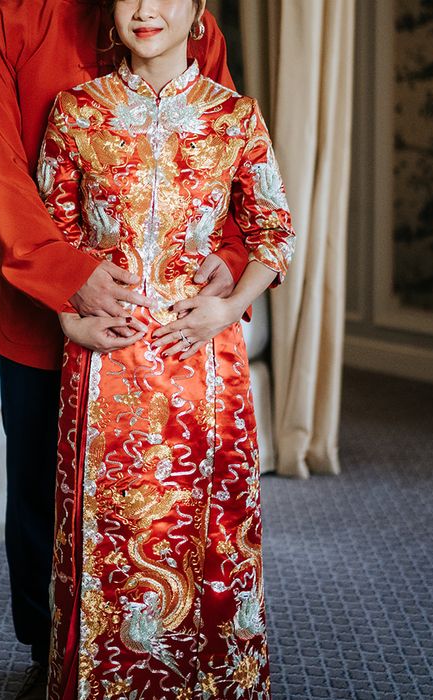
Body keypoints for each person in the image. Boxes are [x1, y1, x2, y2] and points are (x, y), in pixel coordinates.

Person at [0, 2, 254, 698]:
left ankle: (170, 663)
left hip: (163, 328)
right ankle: (49, 660)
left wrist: (230, 255)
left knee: (174, 500)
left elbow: (222, 160)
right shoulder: (8, 22)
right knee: (42, 489)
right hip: (41, 313)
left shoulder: (185, 22)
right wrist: (69, 281)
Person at [36, 0, 295, 697]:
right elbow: (49, 241)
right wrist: (71, 326)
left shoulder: (235, 116)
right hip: (104, 364)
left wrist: (229, 308)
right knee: (105, 537)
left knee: (208, 537)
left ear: (199, 11)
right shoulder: (75, 112)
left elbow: (274, 234)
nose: (146, 10)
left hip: (204, 362)